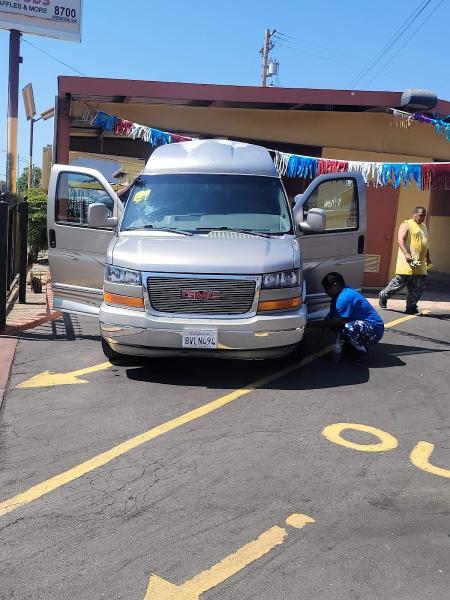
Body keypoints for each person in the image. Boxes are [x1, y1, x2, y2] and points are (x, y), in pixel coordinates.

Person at [308, 272, 384, 357]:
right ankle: (353, 344)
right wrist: (320, 343)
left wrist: (311, 324)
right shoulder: (338, 294)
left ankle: (362, 351)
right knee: (333, 323)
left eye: (327, 289)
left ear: (335, 285)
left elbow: (336, 321)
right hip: (366, 328)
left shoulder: (344, 297)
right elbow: (329, 319)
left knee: (345, 327)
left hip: (375, 331)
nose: (326, 292)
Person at [379, 206, 431, 315]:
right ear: (414, 214)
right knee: (399, 284)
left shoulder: (424, 227)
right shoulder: (406, 224)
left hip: (420, 262)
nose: (422, 218)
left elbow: (425, 244)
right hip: (408, 260)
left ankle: (411, 307)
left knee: (418, 286)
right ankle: (383, 295)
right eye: (421, 215)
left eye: (424, 216)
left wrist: (428, 258)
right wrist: (406, 253)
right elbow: (400, 240)